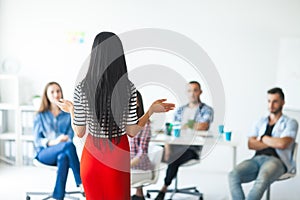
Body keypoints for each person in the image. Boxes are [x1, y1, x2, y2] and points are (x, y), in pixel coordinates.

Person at [56, 32, 175, 200]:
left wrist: (72, 110)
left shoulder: (82, 88)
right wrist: (150, 112)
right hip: (117, 153)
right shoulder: (127, 88)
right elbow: (132, 131)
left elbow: (80, 132)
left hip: (92, 155)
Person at [228, 87, 298, 200]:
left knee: (263, 177)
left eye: (275, 101)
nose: (271, 105)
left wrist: (263, 138)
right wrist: (273, 141)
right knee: (233, 175)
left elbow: (283, 144)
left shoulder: (290, 123)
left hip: (277, 161)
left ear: (283, 102)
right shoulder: (260, 122)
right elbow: (251, 144)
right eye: (269, 101)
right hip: (256, 159)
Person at [154, 81, 214, 200]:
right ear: (186, 93)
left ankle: (164, 188)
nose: (192, 93)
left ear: (200, 92)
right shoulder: (180, 110)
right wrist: (167, 146)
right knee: (154, 151)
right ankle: (142, 187)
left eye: (195, 90)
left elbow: (203, 126)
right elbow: (172, 130)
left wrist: (185, 125)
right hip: (175, 145)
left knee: (174, 158)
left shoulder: (206, 110)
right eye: (189, 90)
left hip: (192, 148)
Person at [33, 82, 82, 200]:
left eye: (58, 91)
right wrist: (55, 142)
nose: (56, 94)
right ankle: (81, 182)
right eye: (52, 92)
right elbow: (37, 141)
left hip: (64, 151)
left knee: (63, 157)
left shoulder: (67, 114)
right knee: (68, 145)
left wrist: (64, 140)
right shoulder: (40, 115)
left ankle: (58, 196)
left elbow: (70, 135)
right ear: (46, 95)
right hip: (44, 153)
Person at [130, 91, 154, 200]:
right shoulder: (122, 122)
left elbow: (142, 153)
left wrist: (125, 165)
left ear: (138, 103)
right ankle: (139, 195)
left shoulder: (145, 124)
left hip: (139, 163)